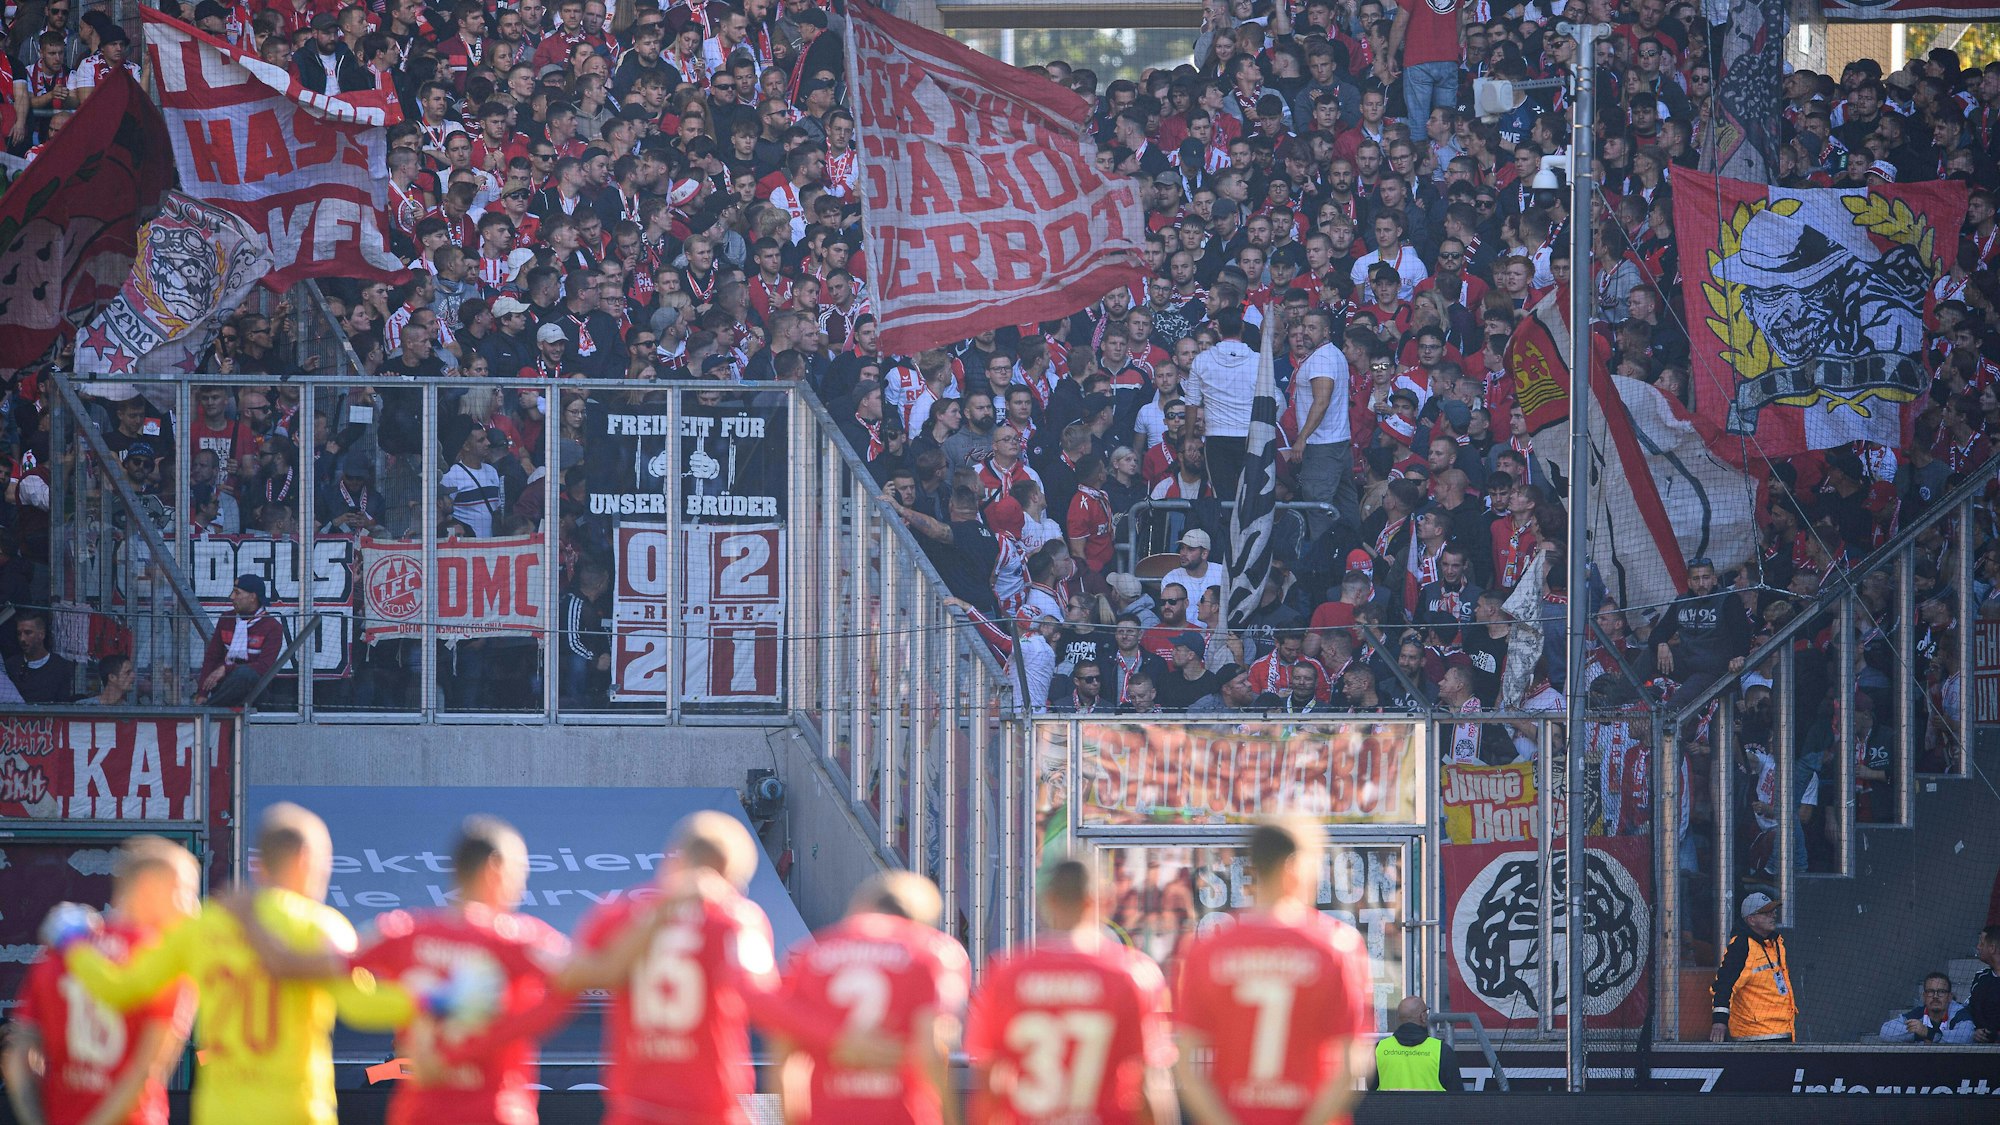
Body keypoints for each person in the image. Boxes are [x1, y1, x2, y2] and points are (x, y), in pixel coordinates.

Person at [46, 804, 424, 1124]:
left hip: (221, 1112)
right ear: (306, 860)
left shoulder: (204, 926)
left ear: (259, 866)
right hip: (297, 1110)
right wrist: (433, 997)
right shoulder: (319, 925)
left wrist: (73, 943)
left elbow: (119, 987)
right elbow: (363, 1008)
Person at [1174, 818, 1374, 1124]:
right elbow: (1354, 1063)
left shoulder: (1208, 948)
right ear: (1294, 868)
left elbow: (1186, 1065)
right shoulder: (1336, 946)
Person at [965, 857, 1178, 1125]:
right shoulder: (1132, 974)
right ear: (1100, 900)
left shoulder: (1006, 975)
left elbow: (989, 1083)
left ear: (1047, 901)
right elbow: (1149, 1082)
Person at [4, 837, 198, 1125]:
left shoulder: (59, 953)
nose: (193, 908)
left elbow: (17, 1059)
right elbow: (147, 1071)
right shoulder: (163, 963)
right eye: (185, 892)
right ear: (149, 887)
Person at [773, 871, 968, 1124]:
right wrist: (950, 1119)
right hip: (903, 1116)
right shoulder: (931, 955)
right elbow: (930, 1051)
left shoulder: (810, 956)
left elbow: (785, 1059)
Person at [1710, 892, 1797, 1043]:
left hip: (1783, 1031)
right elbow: (1724, 984)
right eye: (1766, 913)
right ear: (1751, 919)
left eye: (1773, 911)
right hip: (1753, 1037)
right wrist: (1719, 1021)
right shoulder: (1742, 946)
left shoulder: (1776, 944)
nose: (1773, 915)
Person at [193, 574, 285, 707]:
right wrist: (202, 693)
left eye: (237, 593)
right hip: (224, 685)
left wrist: (226, 668)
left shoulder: (272, 627)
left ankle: (209, 709)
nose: (232, 597)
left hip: (254, 690)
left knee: (245, 673)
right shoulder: (226, 619)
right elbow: (212, 657)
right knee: (220, 670)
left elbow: (264, 666)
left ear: (252, 597)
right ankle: (208, 707)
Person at [1370, 995, 1463, 1091]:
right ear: (1423, 1017)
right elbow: (1457, 1095)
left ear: (1399, 1018)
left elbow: (1370, 1093)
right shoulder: (1441, 1051)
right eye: (1426, 1012)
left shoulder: (1379, 1049)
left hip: (1389, 1102)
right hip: (1432, 1102)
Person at [1877, 972, 1976, 1043]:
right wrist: (1918, 1033)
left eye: (1941, 992)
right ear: (1924, 996)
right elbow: (1885, 1031)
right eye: (1930, 992)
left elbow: (1966, 1036)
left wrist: (1929, 1033)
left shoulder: (1959, 1012)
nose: (1935, 996)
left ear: (1950, 997)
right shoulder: (1918, 1013)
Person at [7, 610, 75, 703]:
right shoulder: (12, 665)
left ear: (41, 635)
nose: (22, 638)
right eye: (19, 634)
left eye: (28, 633)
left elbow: (63, 703)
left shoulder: (60, 666)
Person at [1970, 925, 2000, 1043]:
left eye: (1981, 943)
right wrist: (1975, 1031)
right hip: (1983, 1048)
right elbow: (1972, 1010)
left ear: (1992, 948)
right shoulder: (1980, 978)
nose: (1978, 947)